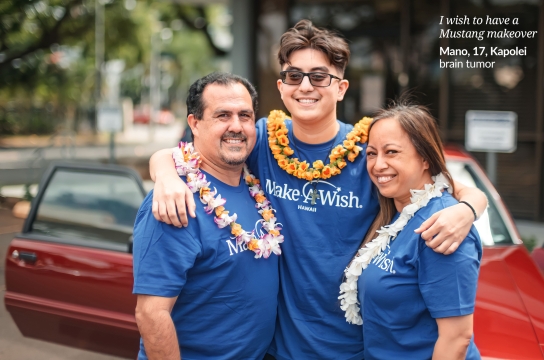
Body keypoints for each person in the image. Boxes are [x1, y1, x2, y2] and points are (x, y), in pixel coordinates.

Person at [148, 20, 487, 360]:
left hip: (351, 348)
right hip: (281, 349)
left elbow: (443, 183)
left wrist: (468, 209)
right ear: (281, 87)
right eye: (294, 76)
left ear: (340, 88)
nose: (305, 86)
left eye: (319, 76)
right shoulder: (261, 139)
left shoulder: (369, 149)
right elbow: (196, 152)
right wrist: (163, 173)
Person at [132, 72, 280, 360]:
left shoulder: (255, 184)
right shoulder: (175, 201)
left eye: (245, 116)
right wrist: (164, 173)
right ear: (194, 124)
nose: (236, 126)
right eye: (222, 115)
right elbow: (151, 315)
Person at [340, 101, 481, 359]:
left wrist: (469, 207)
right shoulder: (395, 213)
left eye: (391, 152)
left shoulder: (443, 225)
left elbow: (457, 339)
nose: (378, 165)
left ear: (425, 158)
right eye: (372, 153)